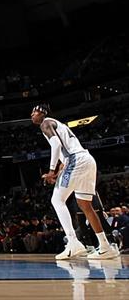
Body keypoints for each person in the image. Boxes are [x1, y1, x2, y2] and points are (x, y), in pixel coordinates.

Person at [32, 104, 120, 260]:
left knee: (57, 200)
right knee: (85, 205)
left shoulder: (45, 123)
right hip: (86, 160)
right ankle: (105, 246)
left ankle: (73, 243)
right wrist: (57, 173)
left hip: (75, 160)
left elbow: (56, 145)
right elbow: (64, 158)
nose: (32, 114)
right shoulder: (59, 125)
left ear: (43, 113)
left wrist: (51, 170)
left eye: (35, 111)